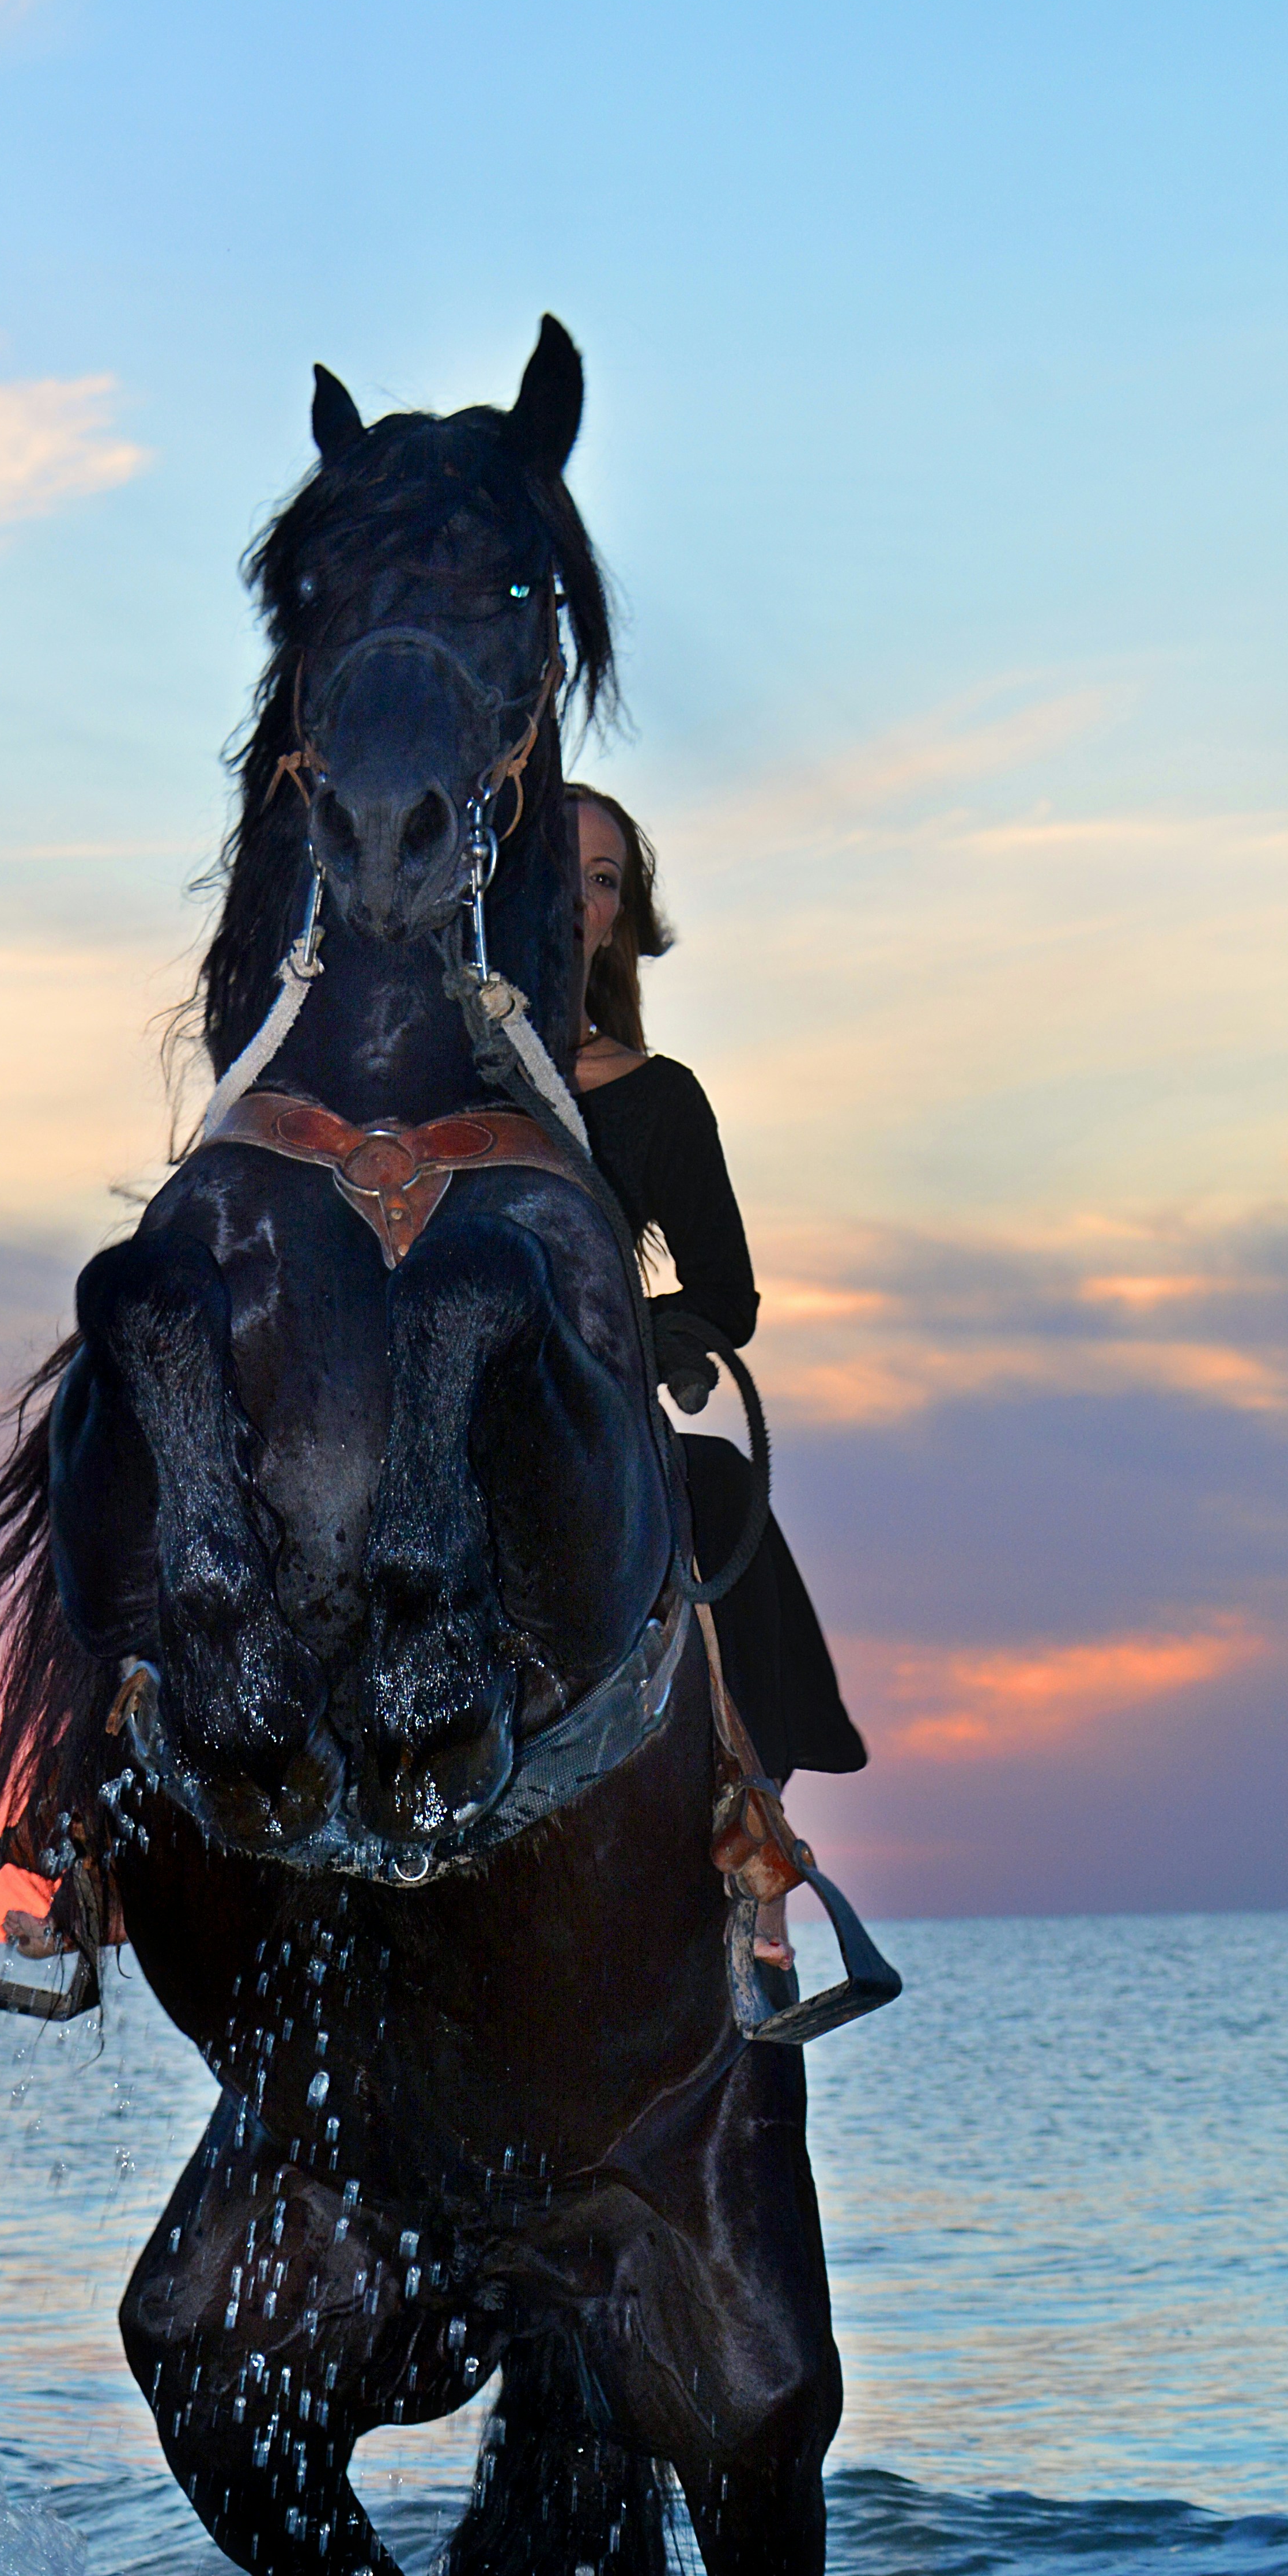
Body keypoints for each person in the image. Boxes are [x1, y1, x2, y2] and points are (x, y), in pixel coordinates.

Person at [566, 784, 867, 1891]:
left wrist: (609, 1336)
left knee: (722, 1487)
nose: (579, 894)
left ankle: (753, 1816)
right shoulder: (402, 1077)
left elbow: (726, 1297)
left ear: (619, 923)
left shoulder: (657, 1099)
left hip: (576, 1414)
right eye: (555, 861)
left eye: (606, 880)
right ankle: (95, 1838)